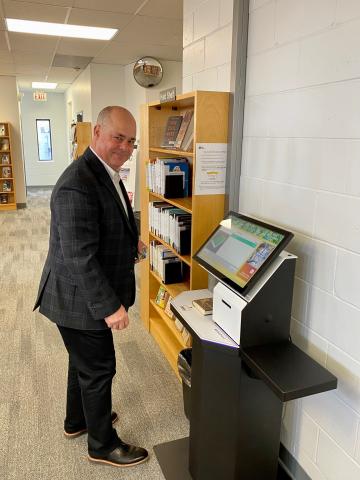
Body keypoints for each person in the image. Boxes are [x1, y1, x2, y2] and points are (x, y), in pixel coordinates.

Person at [34, 106, 148, 468]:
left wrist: (133, 243)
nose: (126, 147)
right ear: (97, 132)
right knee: (99, 369)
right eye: (118, 137)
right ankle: (102, 445)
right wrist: (110, 307)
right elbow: (78, 257)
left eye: (131, 141)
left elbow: (104, 222)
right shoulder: (77, 183)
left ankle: (77, 421)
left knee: (81, 363)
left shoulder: (105, 172)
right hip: (79, 299)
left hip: (78, 296)